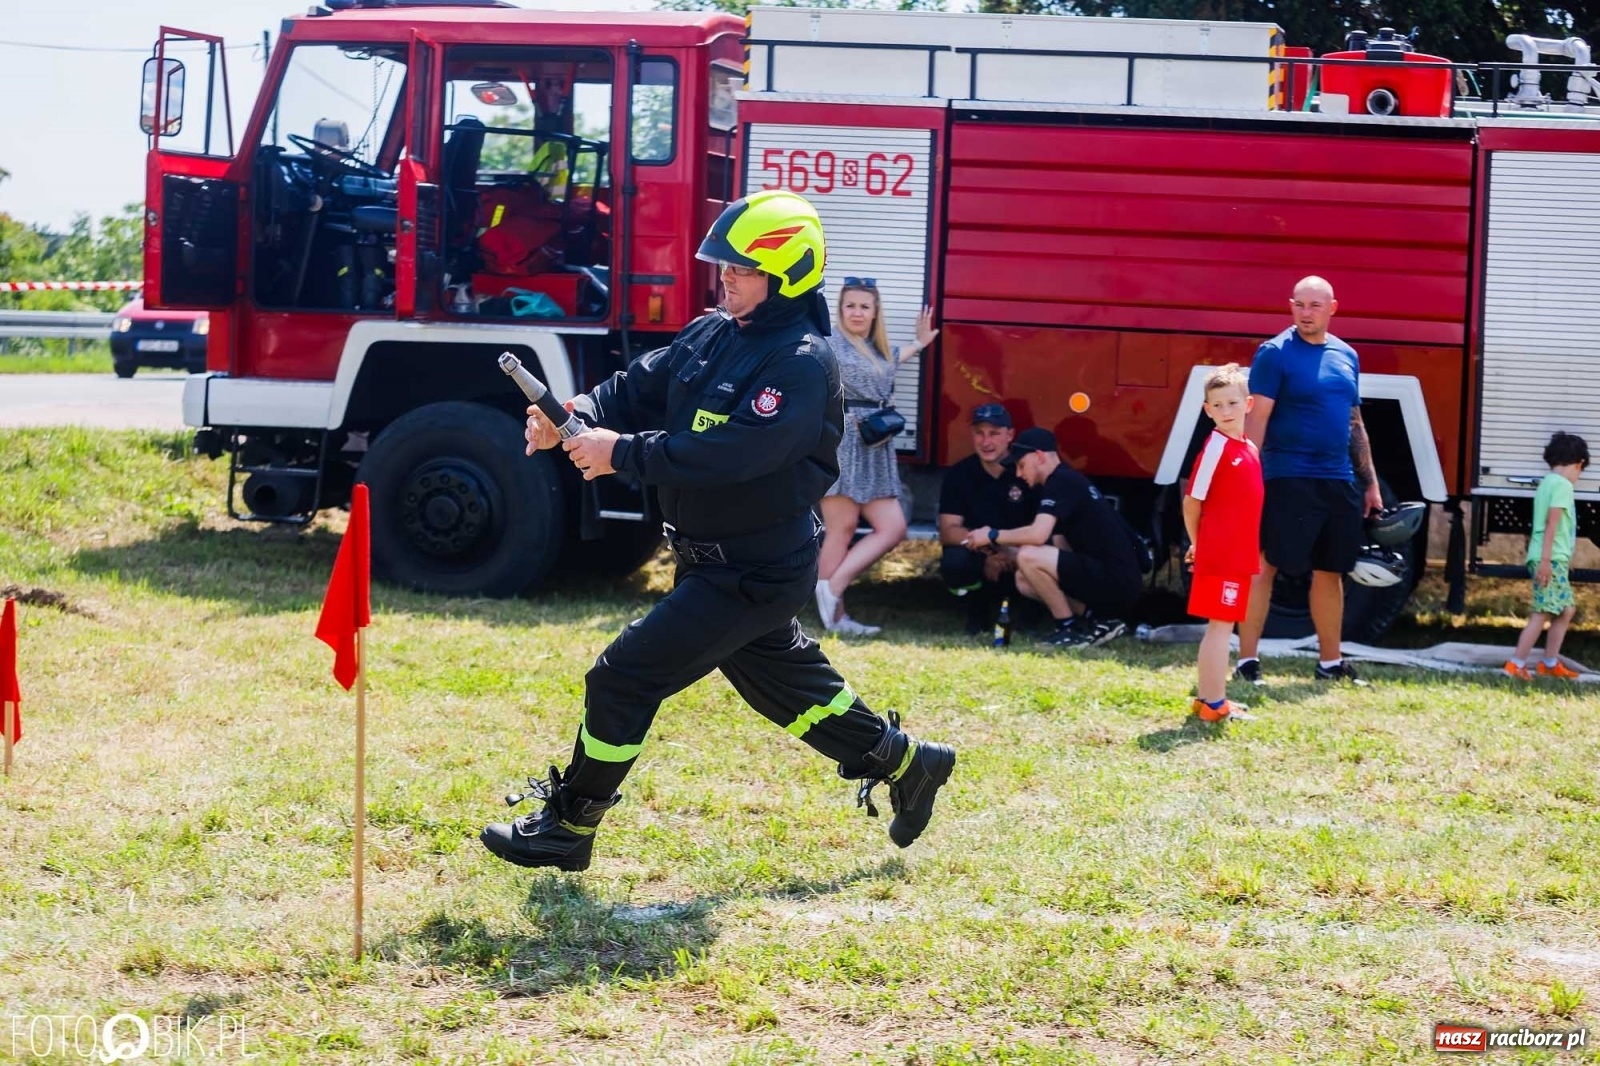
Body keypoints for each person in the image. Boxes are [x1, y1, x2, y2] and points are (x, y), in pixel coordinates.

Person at [479, 190, 955, 871]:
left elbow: (731, 455)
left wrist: (622, 452)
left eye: (741, 268)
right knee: (792, 694)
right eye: (724, 266)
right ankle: (909, 764)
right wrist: (573, 409)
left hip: (756, 568)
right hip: (709, 562)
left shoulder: (801, 362)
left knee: (621, 676)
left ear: (787, 272)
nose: (724, 277)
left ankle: (570, 825)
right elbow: (637, 385)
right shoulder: (713, 333)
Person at [1234, 275, 1383, 686]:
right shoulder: (1274, 353)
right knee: (1266, 566)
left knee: (1331, 571)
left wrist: (1368, 483)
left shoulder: (1346, 355)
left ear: (1332, 308)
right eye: (1299, 304)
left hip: (1337, 479)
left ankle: (1330, 665)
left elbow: (1354, 422)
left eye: (1315, 305)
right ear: (1291, 306)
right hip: (1286, 476)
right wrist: (1247, 475)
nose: (1306, 313)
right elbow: (1257, 418)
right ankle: (1247, 661)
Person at [814, 278, 938, 636]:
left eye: (864, 306)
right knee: (842, 529)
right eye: (850, 305)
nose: (857, 312)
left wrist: (919, 343)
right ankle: (835, 616)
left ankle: (832, 588)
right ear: (840, 309)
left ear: (874, 312)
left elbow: (888, 363)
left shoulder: (874, 347)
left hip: (875, 446)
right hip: (845, 442)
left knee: (893, 527)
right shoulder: (831, 345)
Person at [964, 427, 1143, 648]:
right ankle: (1100, 621)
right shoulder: (1061, 482)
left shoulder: (1062, 482)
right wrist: (1012, 553)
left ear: (1039, 457)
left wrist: (992, 535)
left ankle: (1067, 629)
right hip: (1111, 576)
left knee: (1029, 555)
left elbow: (1038, 536)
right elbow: (1061, 550)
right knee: (1023, 578)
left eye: (1021, 465)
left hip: (1117, 581)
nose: (1019, 474)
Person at [1181, 364, 1264, 721]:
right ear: (1207, 410)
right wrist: (1199, 543)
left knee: (1223, 625)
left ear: (1249, 404)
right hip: (1221, 553)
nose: (1226, 411)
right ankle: (1213, 705)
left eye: (1232, 403)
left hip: (1238, 553)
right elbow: (1191, 501)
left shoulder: (1248, 447)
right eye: (1218, 405)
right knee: (1219, 626)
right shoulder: (1215, 446)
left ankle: (1210, 698)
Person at [937, 403, 1038, 633]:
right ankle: (976, 613)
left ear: (1010, 435)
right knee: (955, 562)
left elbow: (1044, 528)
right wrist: (990, 554)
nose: (986, 442)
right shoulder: (960, 474)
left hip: (1021, 555)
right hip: (984, 557)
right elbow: (949, 530)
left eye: (994, 433)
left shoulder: (1026, 471)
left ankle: (1029, 615)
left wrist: (1013, 552)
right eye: (979, 433)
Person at [1505, 432, 1590, 680]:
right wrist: (1547, 562)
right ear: (1578, 464)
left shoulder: (1547, 482)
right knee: (1543, 612)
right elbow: (1552, 525)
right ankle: (1516, 663)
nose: (1578, 477)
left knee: (1566, 610)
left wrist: (1559, 560)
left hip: (1553, 558)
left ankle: (1550, 663)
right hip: (1549, 558)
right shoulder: (1563, 486)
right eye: (1579, 471)